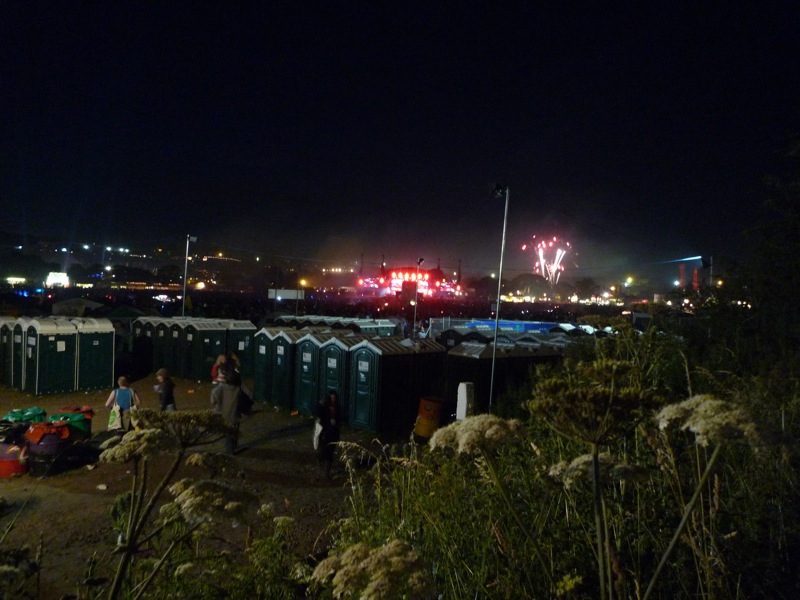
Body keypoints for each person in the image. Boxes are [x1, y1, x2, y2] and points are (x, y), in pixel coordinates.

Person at [211, 366, 245, 454]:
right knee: (235, 431)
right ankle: (234, 446)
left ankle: (230, 451)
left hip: (226, 414)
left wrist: (216, 404)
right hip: (236, 414)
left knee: (228, 434)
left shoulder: (223, 388)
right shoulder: (239, 390)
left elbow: (214, 395)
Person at [316, 390, 341, 478]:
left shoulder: (337, 407)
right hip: (325, 433)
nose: (333, 400)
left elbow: (340, 418)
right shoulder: (325, 407)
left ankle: (326, 472)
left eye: (334, 398)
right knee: (323, 451)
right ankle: (322, 467)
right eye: (332, 398)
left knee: (329, 452)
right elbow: (320, 417)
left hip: (333, 433)